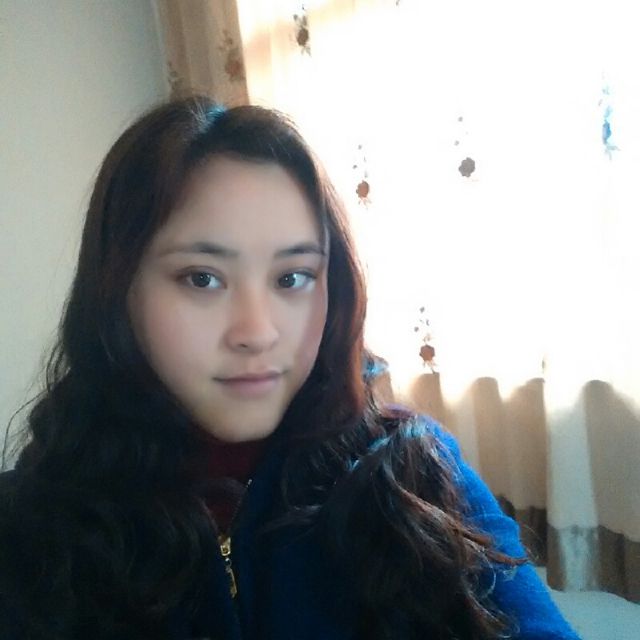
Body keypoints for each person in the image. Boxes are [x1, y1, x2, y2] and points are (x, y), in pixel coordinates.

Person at [0, 96, 581, 639]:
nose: (257, 332)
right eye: (201, 278)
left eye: (292, 277)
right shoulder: (29, 524)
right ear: (117, 291)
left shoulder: (414, 471)